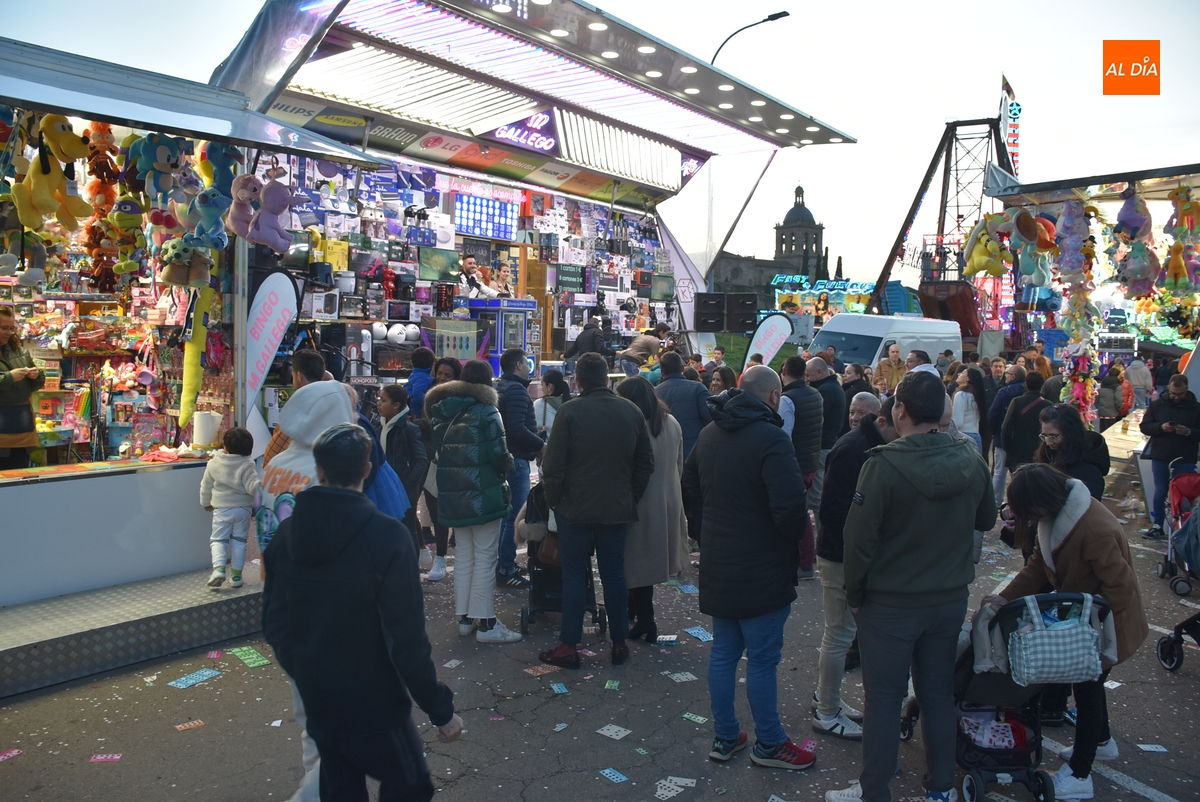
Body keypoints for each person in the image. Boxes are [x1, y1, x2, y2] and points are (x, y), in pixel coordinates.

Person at [262, 423, 464, 802]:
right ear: (367, 470)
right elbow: (406, 637)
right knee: (410, 785)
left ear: (318, 470)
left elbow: (275, 625)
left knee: (340, 786)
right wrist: (440, 710)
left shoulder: (286, 536)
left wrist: (306, 670)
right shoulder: (387, 537)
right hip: (376, 703)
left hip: (319, 698)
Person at [825, 371, 996, 802]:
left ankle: (874, 791)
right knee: (937, 693)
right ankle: (941, 787)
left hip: (891, 604)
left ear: (899, 411)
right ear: (942, 411)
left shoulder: (883, 466)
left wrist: (856, 595)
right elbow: (986, 520)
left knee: (883, 700)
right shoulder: (970, 458)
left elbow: (858, 541)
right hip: (948, 597)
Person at [985, 463, 1147, 801]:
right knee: (1090, 688)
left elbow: (1121, 589)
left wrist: (1089, 632)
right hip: (1091, 618)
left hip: (1106, 625)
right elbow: (1039, 568)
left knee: (1087, 691)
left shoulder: (1093, 529)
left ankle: (1080, 774)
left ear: (1040, 502)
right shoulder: (1060, 515)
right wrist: (1004, 598)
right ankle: (1101, 742)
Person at [683, 365, 814, 770]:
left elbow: (689, 487)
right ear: (774, 397)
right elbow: (792, 509)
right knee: (760, 658)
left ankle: (726, 736)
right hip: (761, 564)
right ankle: (770, 743)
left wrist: (706, 532)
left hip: (721, 559)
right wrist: (789, 539)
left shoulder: (709, 433)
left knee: (724, 653)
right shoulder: (772, 440)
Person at [256, 379, 356, 802]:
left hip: (284, 602)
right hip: (326, 607)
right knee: (334, 721)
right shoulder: (324, 471)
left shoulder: (276, 464)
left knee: (310, 717)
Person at [539, 352, 655, 669]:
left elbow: (553, 465)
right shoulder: (631, 411)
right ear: (607, 379)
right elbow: (645, 463)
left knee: (575, 575)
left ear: (577, 381)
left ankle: (568, 645)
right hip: (617, 506)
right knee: (614, 574)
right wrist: (630, 495)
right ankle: (618, 642)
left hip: (573, 507)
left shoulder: (569, 411)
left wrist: (555, 500)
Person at [813, 397, 899, 741]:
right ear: (883, 422)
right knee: (839, 634)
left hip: (846, 554)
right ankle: (827, 711)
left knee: (841, 632)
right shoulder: (853, 448)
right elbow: (832, 510)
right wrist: (862, 542)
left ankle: (828, 696)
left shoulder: (869, 445)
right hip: (840, 556)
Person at [425, 359, 522, 643]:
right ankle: (488, 624)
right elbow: (499, 455)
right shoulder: (488, 411)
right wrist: (511, 464)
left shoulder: (441, 411)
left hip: (453, 497)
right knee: (485, 557)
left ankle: (465, 619)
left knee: (465, 556)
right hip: (484, 495)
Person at [617, 376, 687, 643]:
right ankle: (636, 612)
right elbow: (678, 465)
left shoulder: (634, 427)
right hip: (668, 500)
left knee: (636, 562)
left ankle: (646, 620)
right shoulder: (672, 424)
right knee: (645, 562)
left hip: (641, 502)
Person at [495, 348, 544, 590]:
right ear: (517, 366)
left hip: (510, 459)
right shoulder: (515, 390)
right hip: (517, 460)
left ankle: (507, 563)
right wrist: (540, 445)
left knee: (509, 516)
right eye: (526, 363)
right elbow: (515, 427)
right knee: (514, 517)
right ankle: (505, 568)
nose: (528, 367)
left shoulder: (504, 387)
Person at [378, 385, 433, 575]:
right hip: (384, 486)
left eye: (383, 400)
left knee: (407, 527)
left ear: (397, 406)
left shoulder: (408, 429)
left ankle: (410, 569)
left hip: (402, 487)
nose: (379, 404)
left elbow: (421, 460)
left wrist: (408, 484)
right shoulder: (381, 426)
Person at [1139, 373, 1200, 539]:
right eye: (1173, 393)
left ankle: (1186, 527)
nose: (1176, 397)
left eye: (1180, 394)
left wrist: (1188, 432)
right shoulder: (1157, 405)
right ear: (1168, 389)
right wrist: (1161, 428)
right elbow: (1145, 426)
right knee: (1161, 491)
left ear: (1187, 390)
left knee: (1185, 494)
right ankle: (1158, 525)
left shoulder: (1197, 408)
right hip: (1161, 454)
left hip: (1185, 457)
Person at [199, 427, 261, 590]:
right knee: (240, 541)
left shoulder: (213, 463)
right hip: (243, 510)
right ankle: (236, 576)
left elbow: (205, 487)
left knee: (218, 540)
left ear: (225, 447)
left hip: (221, 508)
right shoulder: (248, 464)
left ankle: (219, 569)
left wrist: (205, 502)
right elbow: (252, 488)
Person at [419, 357, 463, 565]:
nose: (442, 378)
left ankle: (445, 552)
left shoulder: (461, 398)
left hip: (453, 459)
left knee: (450, 506)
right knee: (434, 507)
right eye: (440, 373)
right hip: (431, 458)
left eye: (448, 375)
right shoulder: (430, 395)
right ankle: (440, 557)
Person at [263, 349, 326, 467]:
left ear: (298, 376)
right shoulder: (331, 403)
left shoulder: (296, 408)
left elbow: (271, 457)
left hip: (296, 477)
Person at [1034, 404, 1110, 500]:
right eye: (1044, 436)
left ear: (1071, 434)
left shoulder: (1088, 471)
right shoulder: (1048, 454)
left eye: (1054, 436)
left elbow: (1084, 508)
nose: (1048, 442)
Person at [0, 306, 43, 470]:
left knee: (19, 477)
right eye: (4, 328)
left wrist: (36, 376)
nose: (8, 332)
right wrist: (9, 377)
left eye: (11, 328)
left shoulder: (21, 352)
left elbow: (37, 384)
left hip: (21, 427)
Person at [806, 357, 845, 515]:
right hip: (829, 444)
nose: (807, 379)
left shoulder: (826, 390)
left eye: (808, 375)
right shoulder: (834, 387)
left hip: (822, 446)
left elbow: (817, 419)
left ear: (819, 372)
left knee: (816, 500)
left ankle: (819, 537)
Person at [655, 351, 713, 458]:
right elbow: (710, 419)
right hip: (695, 451)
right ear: (682, 368)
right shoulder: (698, 388)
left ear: (662, 373)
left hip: (667, 454)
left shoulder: (655, 393)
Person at [988, 364, 1027, 505]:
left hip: (1002, 436)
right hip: (1023, 438)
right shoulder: (1028, 392)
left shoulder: (1004, 392)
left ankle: (995, 501)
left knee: (999, 472)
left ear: (1013, 376)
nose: (1005, 376)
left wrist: (993, 432)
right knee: (1021, 472)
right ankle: (1019, 501)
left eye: (1007, 373)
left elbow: (993, 413)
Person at [1002, 371, 1052, 472]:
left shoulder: (1017, 401)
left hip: (1018, 450)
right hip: (1039, 451)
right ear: (1042, 385)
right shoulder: (1048, 404)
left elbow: (1006, 428)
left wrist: (1008, 448)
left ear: (1026, 384)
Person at [952, 366, 989, 454]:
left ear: (968, 378)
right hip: (976, 436)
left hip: (963, 436)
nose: (959, 374)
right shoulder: (976, 395)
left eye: (963, 373)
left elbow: (958, 422)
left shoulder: (961, 395)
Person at [533, 369, 570, 438]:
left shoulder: (538, 405)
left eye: (542, 385)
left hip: (547, 447)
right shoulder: (570, 404)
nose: (541, 388)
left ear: (549, 386)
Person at [840, 364, 873, 433]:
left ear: (857, 376)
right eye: (844, 372)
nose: (844, 375)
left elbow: (844, 414)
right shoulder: (866, 387)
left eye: (848, 373)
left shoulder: (851, 391)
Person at [407, 347, 436, 419]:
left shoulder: (414, 374)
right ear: (432, 364)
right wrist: (430, 403)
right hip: (417, 413)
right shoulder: (424, 377)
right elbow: (417, 392)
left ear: (412, 364)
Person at [1096, 365, 1123, 432]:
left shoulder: (1103, 384)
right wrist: (1118, 409)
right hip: (1112, 414)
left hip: (1102, 413)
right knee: (1111, 432)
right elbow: (1118, 400)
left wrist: (1099, 407)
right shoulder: (1117, 387)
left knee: (1103, 432)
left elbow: (1097, 398)